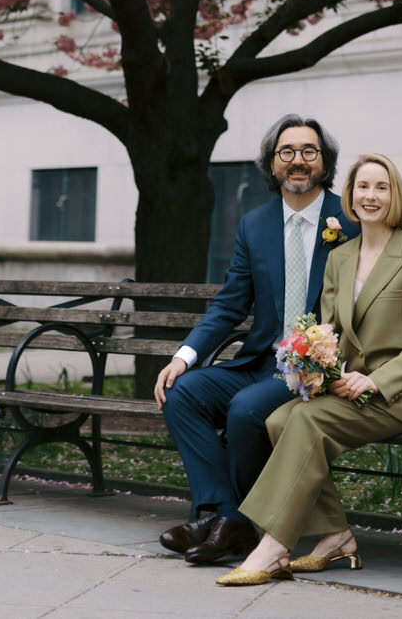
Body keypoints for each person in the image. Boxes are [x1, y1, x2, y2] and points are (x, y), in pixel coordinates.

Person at [214, 152, 402, 586]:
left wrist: (377, 379)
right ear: (350, 196)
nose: (370, 196)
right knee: (281, 419)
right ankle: (336, 536)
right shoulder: (341, 257)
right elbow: (329, 327)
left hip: (401, 395)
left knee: (303, 423)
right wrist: (317, 365)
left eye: (381, 187)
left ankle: (274, 545)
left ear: (395, 196)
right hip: (346, 388)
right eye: (362, 186)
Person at [153, 114, 358, 565]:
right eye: (287, 152)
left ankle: (224, 524)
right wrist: (185, 356)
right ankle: (222, 516)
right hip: (262, 360)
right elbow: (230, 304)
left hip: (318, 369)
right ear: (271, 164)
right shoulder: (254, 225)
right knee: (182, 393)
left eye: (309, 151)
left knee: (245, 411)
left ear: (325, 163)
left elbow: (390, 285)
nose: (298, 161)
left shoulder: (351, 219)